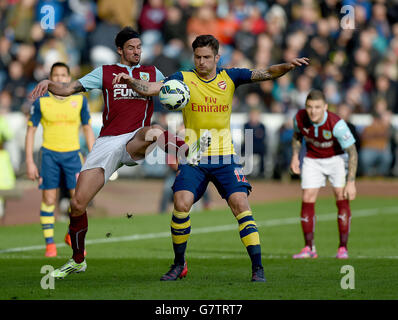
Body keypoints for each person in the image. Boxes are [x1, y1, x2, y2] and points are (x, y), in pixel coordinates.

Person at [113, 34, 309, 282]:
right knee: (181, 203)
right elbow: (154, 88)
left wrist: (287, 66)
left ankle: (257, 267)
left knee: (240, 205)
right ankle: (179, 264)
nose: (202, 62)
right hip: (193, 157)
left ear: (217, 57)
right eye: (197, 57)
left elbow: (266, 73)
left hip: (225, 157)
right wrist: (132, 82)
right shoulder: (183, 79)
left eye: (207, 57)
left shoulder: (230, 77)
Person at [29, 27, 208, 278]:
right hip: (107, 142)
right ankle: (78, 259)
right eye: (132, 48)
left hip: (135, 138)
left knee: (155, 130)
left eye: (139, 47)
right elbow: (70, 89)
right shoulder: (105, 72)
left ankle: (189, 152)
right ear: (120, 50)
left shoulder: (151, 72)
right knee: (78, 204)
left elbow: (164, 89)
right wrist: (51, 84)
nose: (137, 52)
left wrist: (134, 81)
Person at [25, 62, 95, 257]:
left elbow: (87, 128)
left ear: (69, 78)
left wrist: (94, 154)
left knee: (79, 200)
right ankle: (49, 244)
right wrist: (30, 161)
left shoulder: (80, 101)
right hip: (49, 155)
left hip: (73, 156)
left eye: (63, 75)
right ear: (50, 78)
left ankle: (70, 235)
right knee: (49, 199)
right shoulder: (41, 101)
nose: (59, 79)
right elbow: (30, 132)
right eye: (55, 75)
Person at [290, 89, 358, 260]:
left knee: (340, 196)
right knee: (307, 197)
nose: (313, 111)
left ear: (325, 107)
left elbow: (353, 152)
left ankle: (343, 248)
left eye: (318, 107)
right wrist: (294, 157)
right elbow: (297, 136)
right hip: (313, 159)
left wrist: (351, 181)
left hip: (336, 159)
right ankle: (309, 248)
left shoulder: (337, 124)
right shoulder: (299, 118)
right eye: (310, 107)